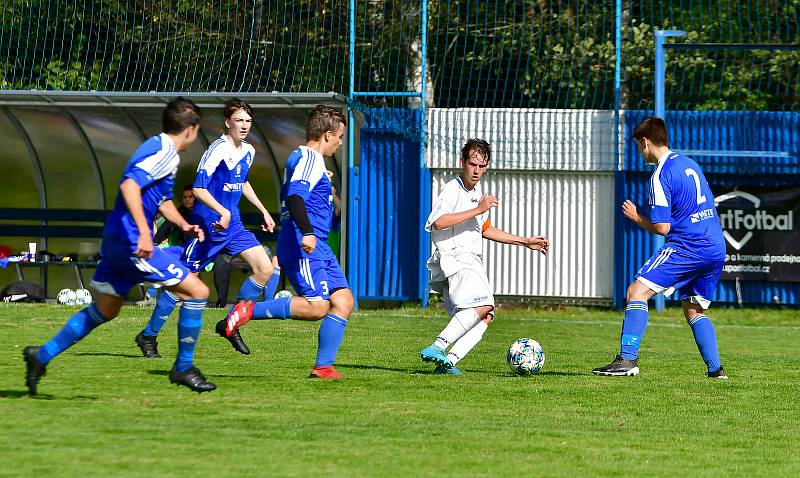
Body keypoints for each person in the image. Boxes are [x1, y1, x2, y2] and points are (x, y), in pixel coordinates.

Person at [23, 98, 217, 394]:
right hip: (131, 243)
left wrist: (183, 224)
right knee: (198, 291)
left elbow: (162, 200)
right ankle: (183, 367)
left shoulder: (161, 150)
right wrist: (143, 232)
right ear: (191, 130)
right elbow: (129, 186)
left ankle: (41, 355)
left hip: (117, 241)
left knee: (106, 310)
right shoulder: (164, 151)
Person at [134, 98, 279, 358]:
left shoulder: (249, 151)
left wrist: (263, 210)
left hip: (232, 225)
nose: (244, 125)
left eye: (248, 121)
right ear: (227, 122)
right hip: (209, 228)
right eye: (239, 120)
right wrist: (221, 211)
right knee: (182, 287)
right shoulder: (217, 150)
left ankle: (230, 324)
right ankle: (148, 335)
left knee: (265, 268)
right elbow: (198, 188)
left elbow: (241, 182)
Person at [220, 105, 353, 379]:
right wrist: (306, 231)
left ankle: (323, 367)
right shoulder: (309, 158)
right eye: (339, 136)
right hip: (303, 241)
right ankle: (246, 311)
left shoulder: (307, 160)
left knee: (343, 301)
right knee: (317, 306)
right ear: (327, 135)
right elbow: (294, 196)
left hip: (319, 244)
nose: (340, 143)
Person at [592, 116, 727, 379]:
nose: (639, 151)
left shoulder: (661, 174)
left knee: (636, 292)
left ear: (645, 141)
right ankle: (716, 370)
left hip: (689, 246)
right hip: (715, 247)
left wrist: (636, 217)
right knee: (693, 308)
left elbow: (663, 227)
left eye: (637, 146)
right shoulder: (690, 164)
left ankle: (627, 360)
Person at [417, 138, 550, 375]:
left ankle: (448, 364)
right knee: (485, 303)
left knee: (485, 316)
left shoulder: (477, 192)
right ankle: (438, 346)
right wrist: (479, 208)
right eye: (472, 164)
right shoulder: (453, 189)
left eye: (482, 166)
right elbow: (439, 222)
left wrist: (524, 241)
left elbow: (485, 229)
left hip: (467, 260)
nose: (476, 170)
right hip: (456, 258)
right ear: (462, 162)